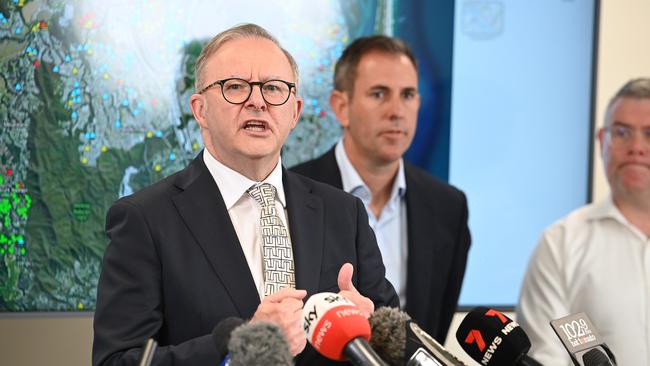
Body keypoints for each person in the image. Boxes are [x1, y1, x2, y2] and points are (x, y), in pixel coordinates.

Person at [92, 24, 399, 366]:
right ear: (200, 110)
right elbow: (117, 361)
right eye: (235, 87)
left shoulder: (344, 213)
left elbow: (397, 345)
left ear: (294, 112)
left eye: (273, 88)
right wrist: (242, 343)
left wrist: (368, 330)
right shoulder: (145, 220)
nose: (258, 101)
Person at [292, 35, 471, 342]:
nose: (397, 111)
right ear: (341, 106)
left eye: (408, 95)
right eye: (378, 94)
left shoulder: (447, 207)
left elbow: (431, 334)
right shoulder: (290, 195)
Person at [517, 78, 650, 366]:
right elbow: (546, 357)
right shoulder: (561, 245)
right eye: (622, 132)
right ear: (603, 142)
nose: (637, 147)